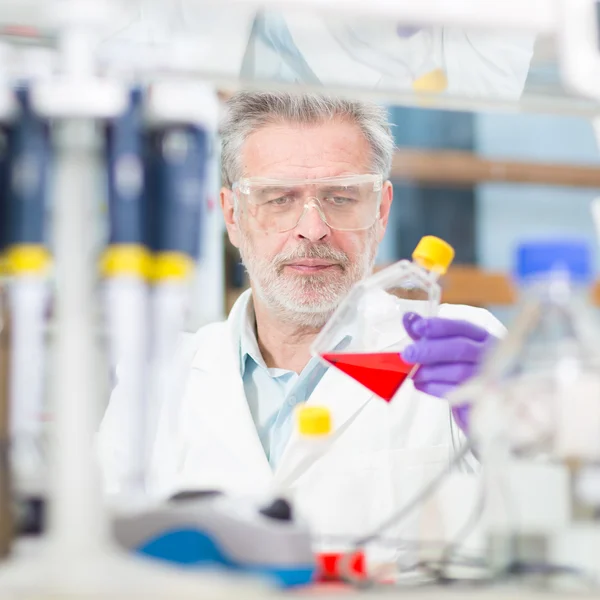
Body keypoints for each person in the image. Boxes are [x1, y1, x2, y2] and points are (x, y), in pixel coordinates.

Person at [98, 91, 504, 544]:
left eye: (341, 196)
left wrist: (512, 428)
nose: (312, 229)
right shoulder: (156, 379)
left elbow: (555, 520)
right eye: (278, 199)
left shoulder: (462, 351)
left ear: (381, 210)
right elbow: (96, 551)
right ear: (233, 216)